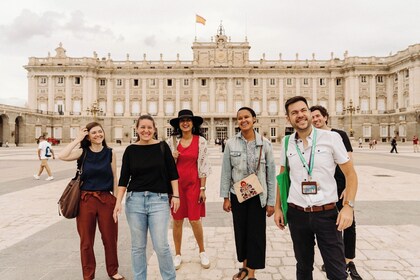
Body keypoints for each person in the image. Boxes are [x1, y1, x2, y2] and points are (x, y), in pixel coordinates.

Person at [274, 96, 358, 280]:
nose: (300, 115)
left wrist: (348, 207)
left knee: (337, 272)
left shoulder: (331, 137)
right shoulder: (286, 142)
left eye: (303, 110)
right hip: (298, 214)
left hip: (326, 214)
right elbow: (282, 177)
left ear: (309, 113)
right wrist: (278, 208)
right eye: (294, 113)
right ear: (288, 118)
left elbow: (351, 175)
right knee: (303, 268)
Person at [113, 115, 180, 280]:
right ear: (136, 129)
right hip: (134, 201)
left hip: (159, 200)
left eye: (149, 127)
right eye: (142, 127)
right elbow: (123, 179)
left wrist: (176, 195)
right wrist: (118, 202)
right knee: (137, 247)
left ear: (155, 129)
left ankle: (169, 278)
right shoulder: (130, 150)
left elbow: (173, 174)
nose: (146, 130)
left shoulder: (163, 147)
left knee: (161, 245)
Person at [58, 122, 124, 280]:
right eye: (93, 133)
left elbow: (114, 177)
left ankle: (113, 271)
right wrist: (77, 139)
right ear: (88, 136)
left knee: (110, 239)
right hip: (85, 200)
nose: (98, 135)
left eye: (100, 132)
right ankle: (88, 275)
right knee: (86, 241)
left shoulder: (110, 153)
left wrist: (116, 202)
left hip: (106, 199)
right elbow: (62, 155)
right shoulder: (83, 152)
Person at [220, 107, 276, 280]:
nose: (243, 120)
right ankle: (244, 267)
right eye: (240, 118)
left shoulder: (265, 144)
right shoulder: (230, 144)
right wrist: (225, 197)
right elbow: (226, 172)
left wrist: (271, 201)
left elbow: (271, 175)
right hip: (238, 195)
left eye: (246, 117)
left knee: (256, 234)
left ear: (254, 119)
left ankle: (251, 273)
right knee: (241, 232)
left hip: (258, 196)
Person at [310, 105, 363, 280]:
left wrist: (349, 187)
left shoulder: (339, 134)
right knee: (330, 224)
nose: (315, 119)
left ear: (326, 117)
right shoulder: (312, 137)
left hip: (341, 185)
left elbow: (350, 160)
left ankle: (349, 261)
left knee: (349, 223)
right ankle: (334, 259)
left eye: (318, 116)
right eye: (313, 117)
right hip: (324, 186)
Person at [168, 109, 212, 270]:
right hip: (176, 187)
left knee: (195, 220)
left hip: (193, 185)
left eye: (188, 120)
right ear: (178, 125)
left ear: (193, 123)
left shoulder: (200, 141)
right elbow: (165, 167)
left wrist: (203, 188)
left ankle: (202, 251)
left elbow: (204, 165)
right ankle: (178, 254)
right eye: (182, 121)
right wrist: (172, 158)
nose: (185, 123)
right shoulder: (171, 141)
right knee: (177, 221)